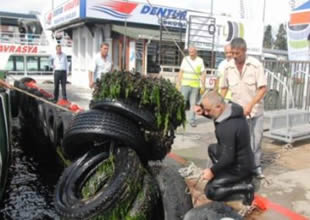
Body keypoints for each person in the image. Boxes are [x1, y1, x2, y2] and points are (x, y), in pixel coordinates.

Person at [194, 91, 255, 205]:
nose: (206, 112)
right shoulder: (231, 108)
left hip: (240, 166)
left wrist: (212, 171)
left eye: (208, 110)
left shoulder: (228, 127)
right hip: (240, 156)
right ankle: (225, 176)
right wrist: (203, 112)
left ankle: (246, 188)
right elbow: (228, 154)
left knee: (211, 191)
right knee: (212, 148)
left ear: (219, 106)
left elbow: (228, 157)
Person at [220, 37, 267, 178]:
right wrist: (219, 105)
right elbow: (223, 88)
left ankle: (256, 166)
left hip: (255, 111)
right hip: (236, 113)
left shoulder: (255, 65)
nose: (234, 56)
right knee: (238, 141)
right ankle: (239, 166)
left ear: (244, 51)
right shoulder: (228, 67)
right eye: (232, 53)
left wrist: (250, 105)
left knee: (255, 140)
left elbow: (263, 89)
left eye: (237, 54)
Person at [177, 46, 206, 127]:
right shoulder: (185, 59)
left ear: (196, 52)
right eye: (190, 52)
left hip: (195, 86)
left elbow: (203, 73)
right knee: (182, 102)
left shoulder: (200, 60)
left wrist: (203, 85)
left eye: (193, 52)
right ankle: (179, 119)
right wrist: (178, 83)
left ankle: (192, 120)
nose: (191, 53)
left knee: (193, 104)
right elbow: (181, 72)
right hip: (185, 85)